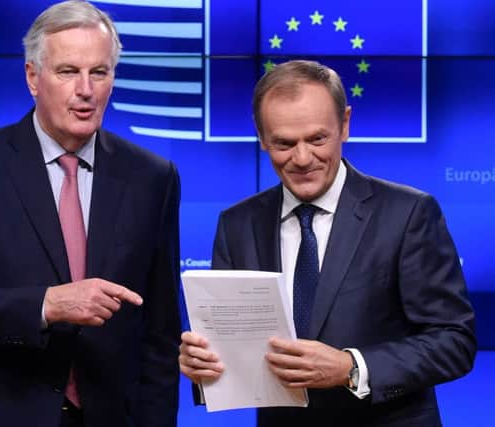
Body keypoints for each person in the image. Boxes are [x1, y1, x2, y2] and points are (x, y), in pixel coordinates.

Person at [0, 1, 181, 426]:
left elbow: (160, 332)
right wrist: (48, 303)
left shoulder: (152, 176)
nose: (86, 90)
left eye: (99, 72)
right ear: (33, 77)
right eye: (67, 72)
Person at [179, 60, 476, 426]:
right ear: (261, 136)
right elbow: (230, 355)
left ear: (345, 124)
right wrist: (203, 367)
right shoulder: (237, 224)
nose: (302, 159)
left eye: (317, 139)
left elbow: (453, 341)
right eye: (284, 143)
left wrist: (351, 367)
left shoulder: (409, 213)